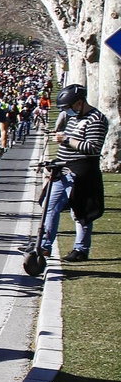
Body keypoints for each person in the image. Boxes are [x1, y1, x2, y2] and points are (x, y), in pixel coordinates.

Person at [42, 83, 110, 261]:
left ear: (79, 102)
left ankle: (80, 249)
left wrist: (66, 139)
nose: (67, 111)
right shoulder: (74, 118)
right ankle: (44, 245)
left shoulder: (96, 119)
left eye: (68, 107)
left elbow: (93, 147)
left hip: (82, 172)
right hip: (63, 170)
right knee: (50, 205)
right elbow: (69, 143)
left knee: (81, 212)